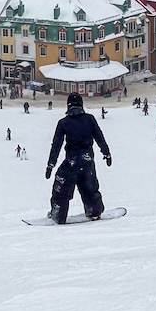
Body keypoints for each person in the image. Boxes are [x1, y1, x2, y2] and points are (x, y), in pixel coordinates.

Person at [45, 92, 111, 224]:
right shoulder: (90, 119)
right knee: (90, 188)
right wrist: (106, 153)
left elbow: (56, 145)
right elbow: (99, 137)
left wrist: (50, 164)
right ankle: (94, 212)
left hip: (71, 162)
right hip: (87, 161)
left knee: (61, 188)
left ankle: (58, 214)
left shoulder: (63, 123)